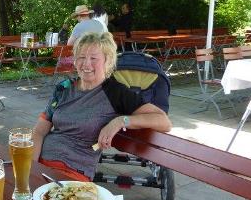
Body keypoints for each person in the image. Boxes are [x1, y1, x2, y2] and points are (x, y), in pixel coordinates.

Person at [33, 32, 171, 180]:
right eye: (81, 57)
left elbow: (164, 122)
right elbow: (39, 131)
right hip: (40, 162)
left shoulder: (115, 92)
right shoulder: (64, 88)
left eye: (93, 58)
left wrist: (120, 121)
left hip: (73, 172)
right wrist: (31, 167)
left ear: (107, 61)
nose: (86, 64)